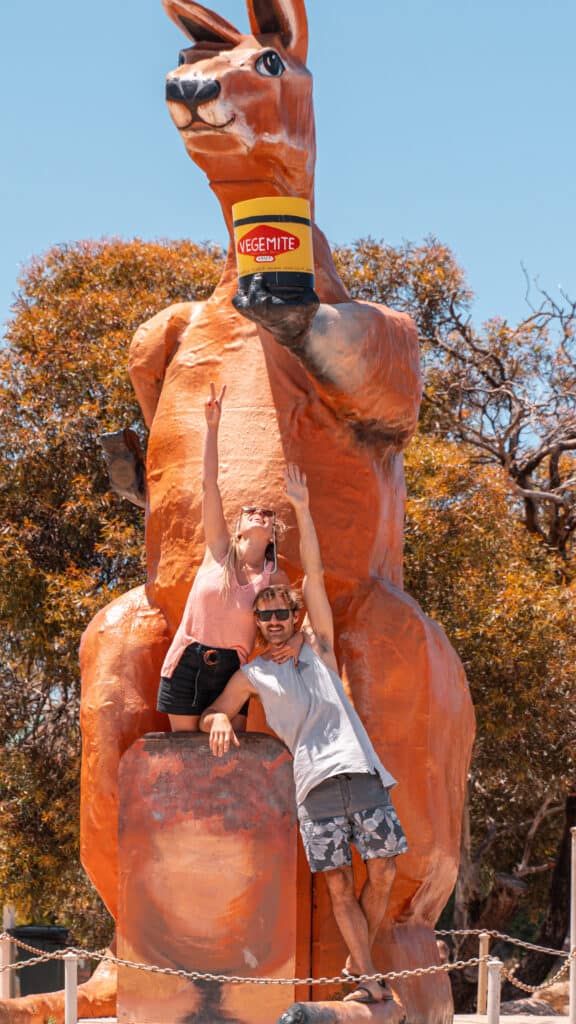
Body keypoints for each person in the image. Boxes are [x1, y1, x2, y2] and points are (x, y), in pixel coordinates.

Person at [199, 465, 408, 1006]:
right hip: (312, 785)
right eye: (263, 613)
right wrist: (219, 718)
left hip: (360, 771)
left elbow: (312, 570)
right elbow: (213, 711)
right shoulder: (253, 674)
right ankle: (366, 976)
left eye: (279, 612)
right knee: (338, 885)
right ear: (258, 619)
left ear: (293, 615)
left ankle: (356, 962)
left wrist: (304, 508)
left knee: (383, 871)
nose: (271, 619)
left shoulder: (319, 647)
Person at [157, 383, 290, 732]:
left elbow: (295, 617)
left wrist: (297, 643)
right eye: (250, 511)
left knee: (228, 765)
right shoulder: (219, 551)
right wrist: (212, 426)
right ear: (238, 529)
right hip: (187, 660)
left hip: (233, 671)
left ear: (274, 531)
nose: (259, 513)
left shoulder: (273, 577)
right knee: (186, 757)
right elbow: (209, 484)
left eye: (266, 513)